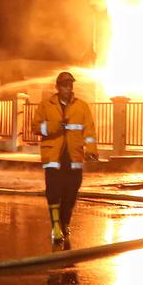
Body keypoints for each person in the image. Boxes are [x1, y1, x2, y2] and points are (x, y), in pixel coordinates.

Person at [32, 71, 98, 248]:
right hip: (53, 157)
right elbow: (35, 127)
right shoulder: (46, 106)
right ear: (57, 87)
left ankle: (65, 223)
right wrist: (53, 127)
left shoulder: (82, 106)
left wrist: (91, 150)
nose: (68, 89)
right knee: (54, 193)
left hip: (74, 157)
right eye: (64, 85)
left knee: (71, 193)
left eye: (70, 85)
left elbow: (89, 131)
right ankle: (55, 226)